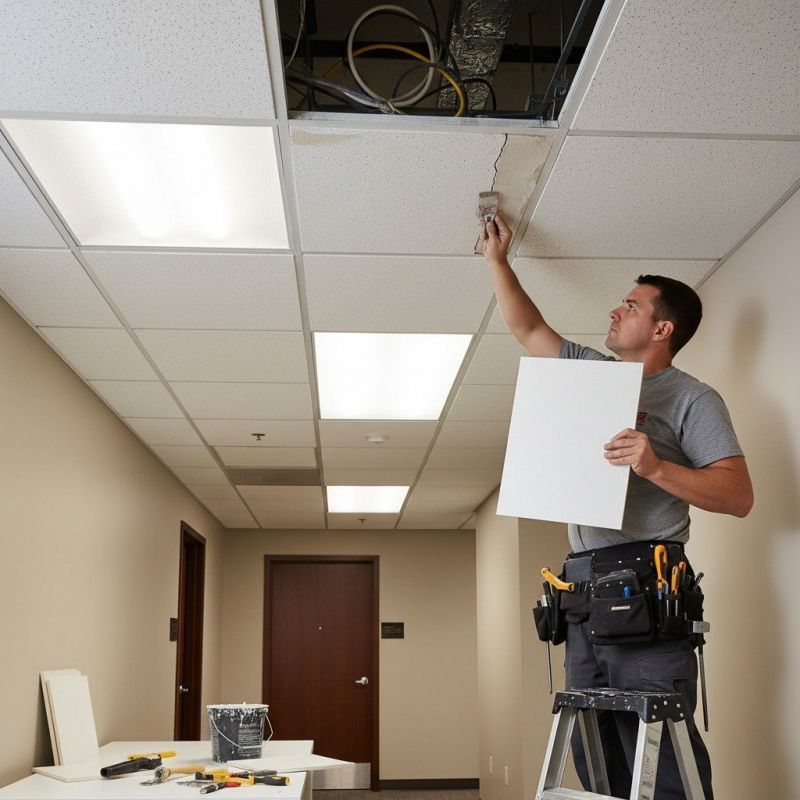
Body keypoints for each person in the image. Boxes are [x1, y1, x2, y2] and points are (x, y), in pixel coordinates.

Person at [481, 214, 753, 800]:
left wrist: (655, 467)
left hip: (646, 584)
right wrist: (497, 261)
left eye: (630, 306)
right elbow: (528, 328)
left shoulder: (692, 399)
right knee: (595, 746)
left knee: (657, 755)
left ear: (662, 328)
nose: (614, 311)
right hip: (581, 585)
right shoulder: (592, 377)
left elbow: (738, 496)